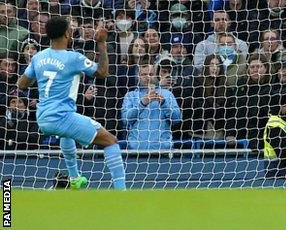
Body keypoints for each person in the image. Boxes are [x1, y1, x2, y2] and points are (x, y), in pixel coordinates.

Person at [16, 16, 126, 190]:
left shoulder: (38, 58)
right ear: (67, 33)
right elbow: (103, 72)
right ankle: (123, 192)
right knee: (110, 141)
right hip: (62, 116)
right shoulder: (74, 58)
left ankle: (74, 178)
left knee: (67, 134)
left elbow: (22, 84)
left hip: (43, 117)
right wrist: (102, 44)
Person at [121, 64, 181, 150]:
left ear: (156, 76)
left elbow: (177, 120)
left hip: (163, 150)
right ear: (138, 76)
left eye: (151, 74)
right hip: (136, 151)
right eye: (144, 74)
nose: (148, 77)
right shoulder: (130, 95)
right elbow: (125, 121)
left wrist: (164, 103)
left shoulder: (167, 94)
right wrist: (142, 104)